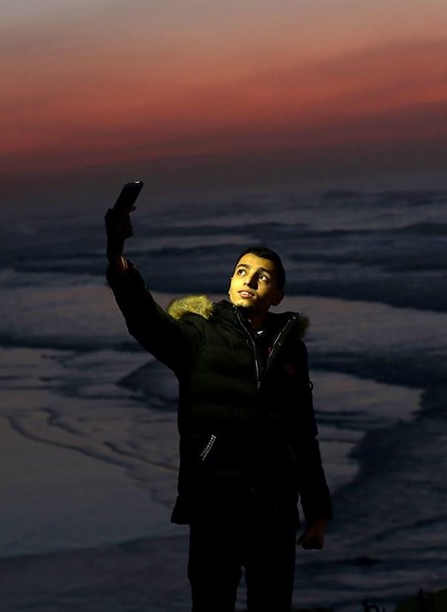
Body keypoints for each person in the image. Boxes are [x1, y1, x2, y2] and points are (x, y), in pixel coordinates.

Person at [105, 203, 333, 612]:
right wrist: (116, 253)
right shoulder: (200, 333)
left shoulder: (290, 349)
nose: (249, 280)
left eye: (262, 276)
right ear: (230, 282)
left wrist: (317, 510)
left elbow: (303, 433)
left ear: (277, 294)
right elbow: (144, 319)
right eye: (242, 271)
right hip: (215, 505)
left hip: (274, 510)